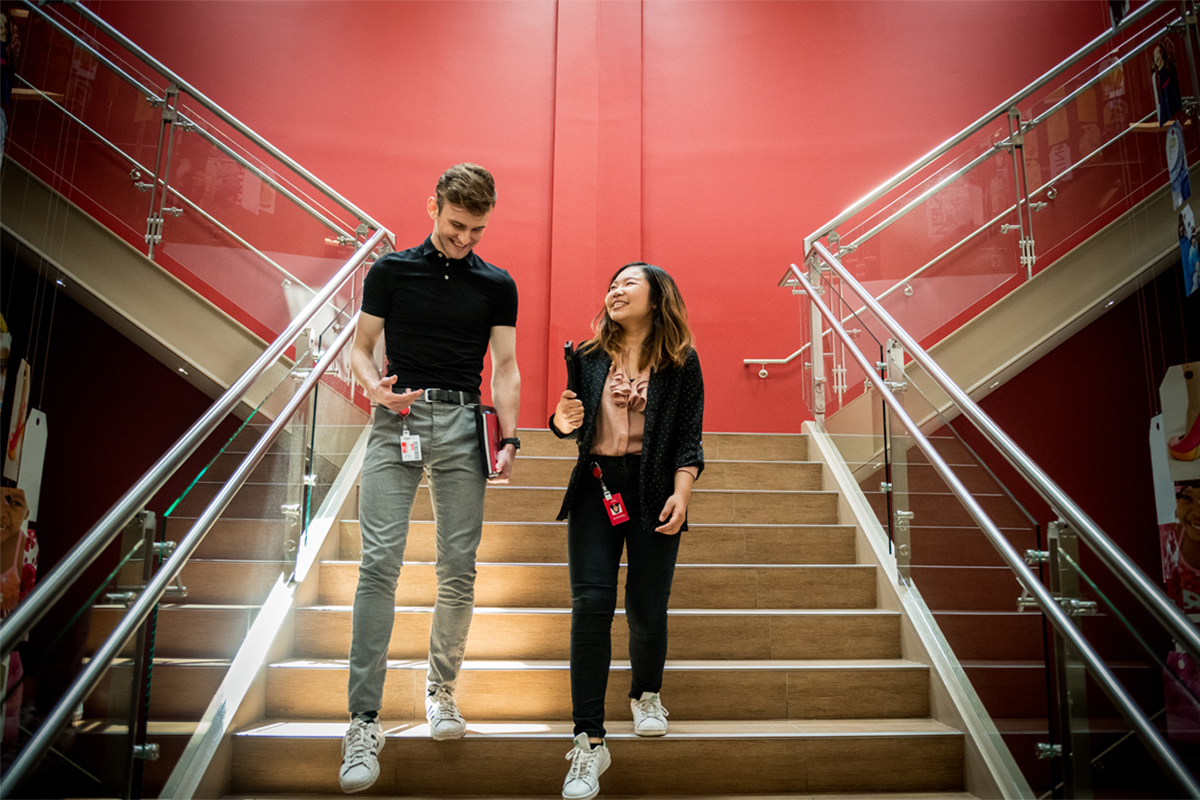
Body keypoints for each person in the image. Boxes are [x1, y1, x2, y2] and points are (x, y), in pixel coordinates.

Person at [339, 163, 521, 794]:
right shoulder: (390, 270)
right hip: (398, 422)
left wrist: (511, 434)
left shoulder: (497, 284)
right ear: (432, 207)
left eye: (476, 229)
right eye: (454, 225)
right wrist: (373, 388)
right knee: (379, 562)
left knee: (458, 566)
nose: (464, 239)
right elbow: (361, 348)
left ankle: (441, 691)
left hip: (465, 424)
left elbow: (506, 365)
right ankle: (363, 721)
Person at [550, 262, 704, 800]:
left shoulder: (681, 363)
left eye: (627, 284)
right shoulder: (588, 358)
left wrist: (681, 495)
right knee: (590, 604)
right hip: (597, 487)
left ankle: (646, 693)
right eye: (611, 284)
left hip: (655, 489)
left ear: (657, 297)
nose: (614, 291)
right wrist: (560, 420)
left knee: (645, 604)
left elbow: (689, 440)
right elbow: (569, 423)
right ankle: (589, 740)